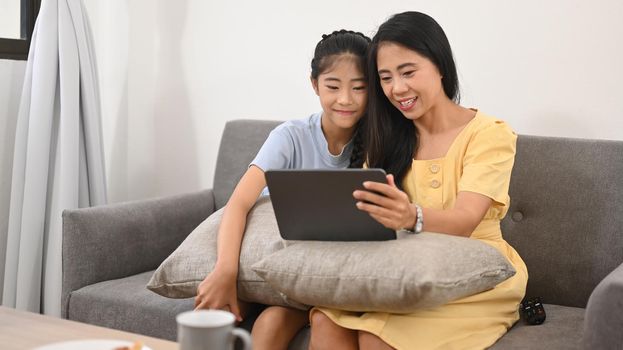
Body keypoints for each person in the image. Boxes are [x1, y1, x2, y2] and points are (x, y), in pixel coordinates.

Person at [309, 12, 528, 350]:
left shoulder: (488, 134)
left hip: (479, 271)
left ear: (440, 65)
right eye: (385, 78)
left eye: (408, 72)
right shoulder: (387, 136)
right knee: (325, 320)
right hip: (404, 269)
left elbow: (466, 220)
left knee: (374, 336)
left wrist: (411, 216)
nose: (397, 89)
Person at [194, 29, 371, 350]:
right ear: (315, 84)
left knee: (274, 319)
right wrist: (225, 270)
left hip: (316, 276)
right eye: (333, 86)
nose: (346, 99)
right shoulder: (290, 137)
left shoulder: (377, 143)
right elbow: (238, 203)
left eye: (359, 88)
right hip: (267, 261)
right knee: (224, 316)